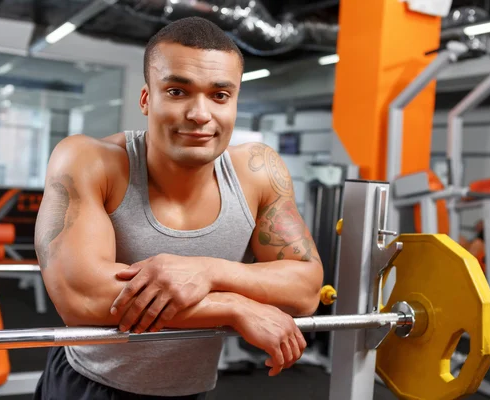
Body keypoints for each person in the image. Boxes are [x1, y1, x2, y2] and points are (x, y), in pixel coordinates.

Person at [33, 17, 324, 400]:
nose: (200, 114)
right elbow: (83, 299)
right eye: (177, 91)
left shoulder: (258, 172)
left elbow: (305, 290)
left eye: (220, 95)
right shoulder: (90, 161)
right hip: (90, 385)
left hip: (189, 392)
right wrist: (233, 306)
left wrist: (205, 270)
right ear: (146, 99)